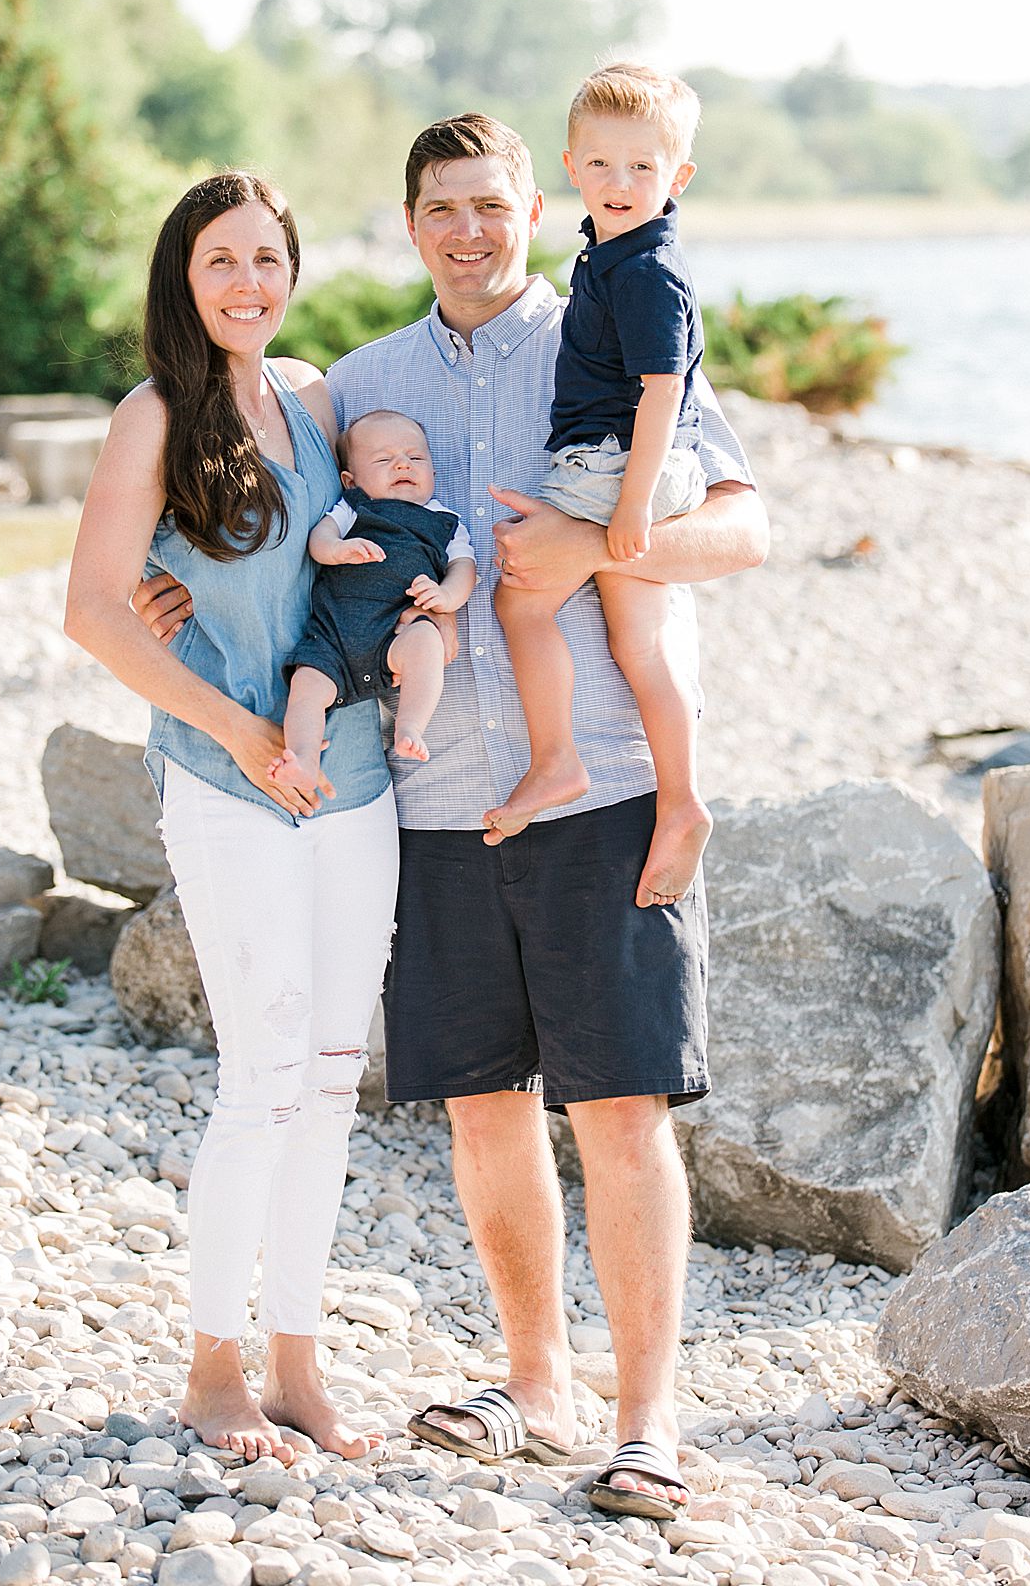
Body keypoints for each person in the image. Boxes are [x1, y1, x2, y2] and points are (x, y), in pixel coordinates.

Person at [138, 116, 769, 1518]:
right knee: (485, 1107)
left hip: (601, 783)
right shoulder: (358, 383)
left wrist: (607, 544)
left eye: (492, 205)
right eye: (442, 209)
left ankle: (646, 1421)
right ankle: (534, 1384)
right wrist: (170, 598)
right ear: (411, 224)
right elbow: (251, 521)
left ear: (537, 209)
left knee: (619, 1109)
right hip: (424, 804)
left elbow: (744, 525)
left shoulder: (607, 334)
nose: (469, 231)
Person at [65, 169, 399, 1464]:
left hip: (353, 777)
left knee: (327, 1083)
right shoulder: (152, 417)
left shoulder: (313, 397)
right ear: (180, 276)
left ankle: (300, 1367)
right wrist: (240, 731)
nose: (248, 283)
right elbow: (95, 609)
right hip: (228, 782)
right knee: (260, 1078)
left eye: (269, 258)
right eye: (221, 261)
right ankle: (214, 1373)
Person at [484, 65, 713, 911]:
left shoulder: (648, 272)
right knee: (639, 647)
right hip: (624, 463)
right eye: (603, 165)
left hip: (619, 461)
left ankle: (556, 760)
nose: (621, 184)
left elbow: (662, 393)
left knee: (523, 601)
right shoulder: (614, 254)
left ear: (677, 177)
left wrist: (625, 508)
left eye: (643, 168)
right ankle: (682, 797)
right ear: (571, 167)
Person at [272, 409, 477, 791]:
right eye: (384, 459)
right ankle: (302, 757)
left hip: (393, 635)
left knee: (427, 643)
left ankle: (411, 726)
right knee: (306, 688)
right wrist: (338, 550)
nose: (403, 464)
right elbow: (320, 540)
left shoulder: (445, 520)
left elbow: (465, 569)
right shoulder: (353, 509)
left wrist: (445, 596)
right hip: (331, 638)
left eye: (416, 458)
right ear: (351, 480)